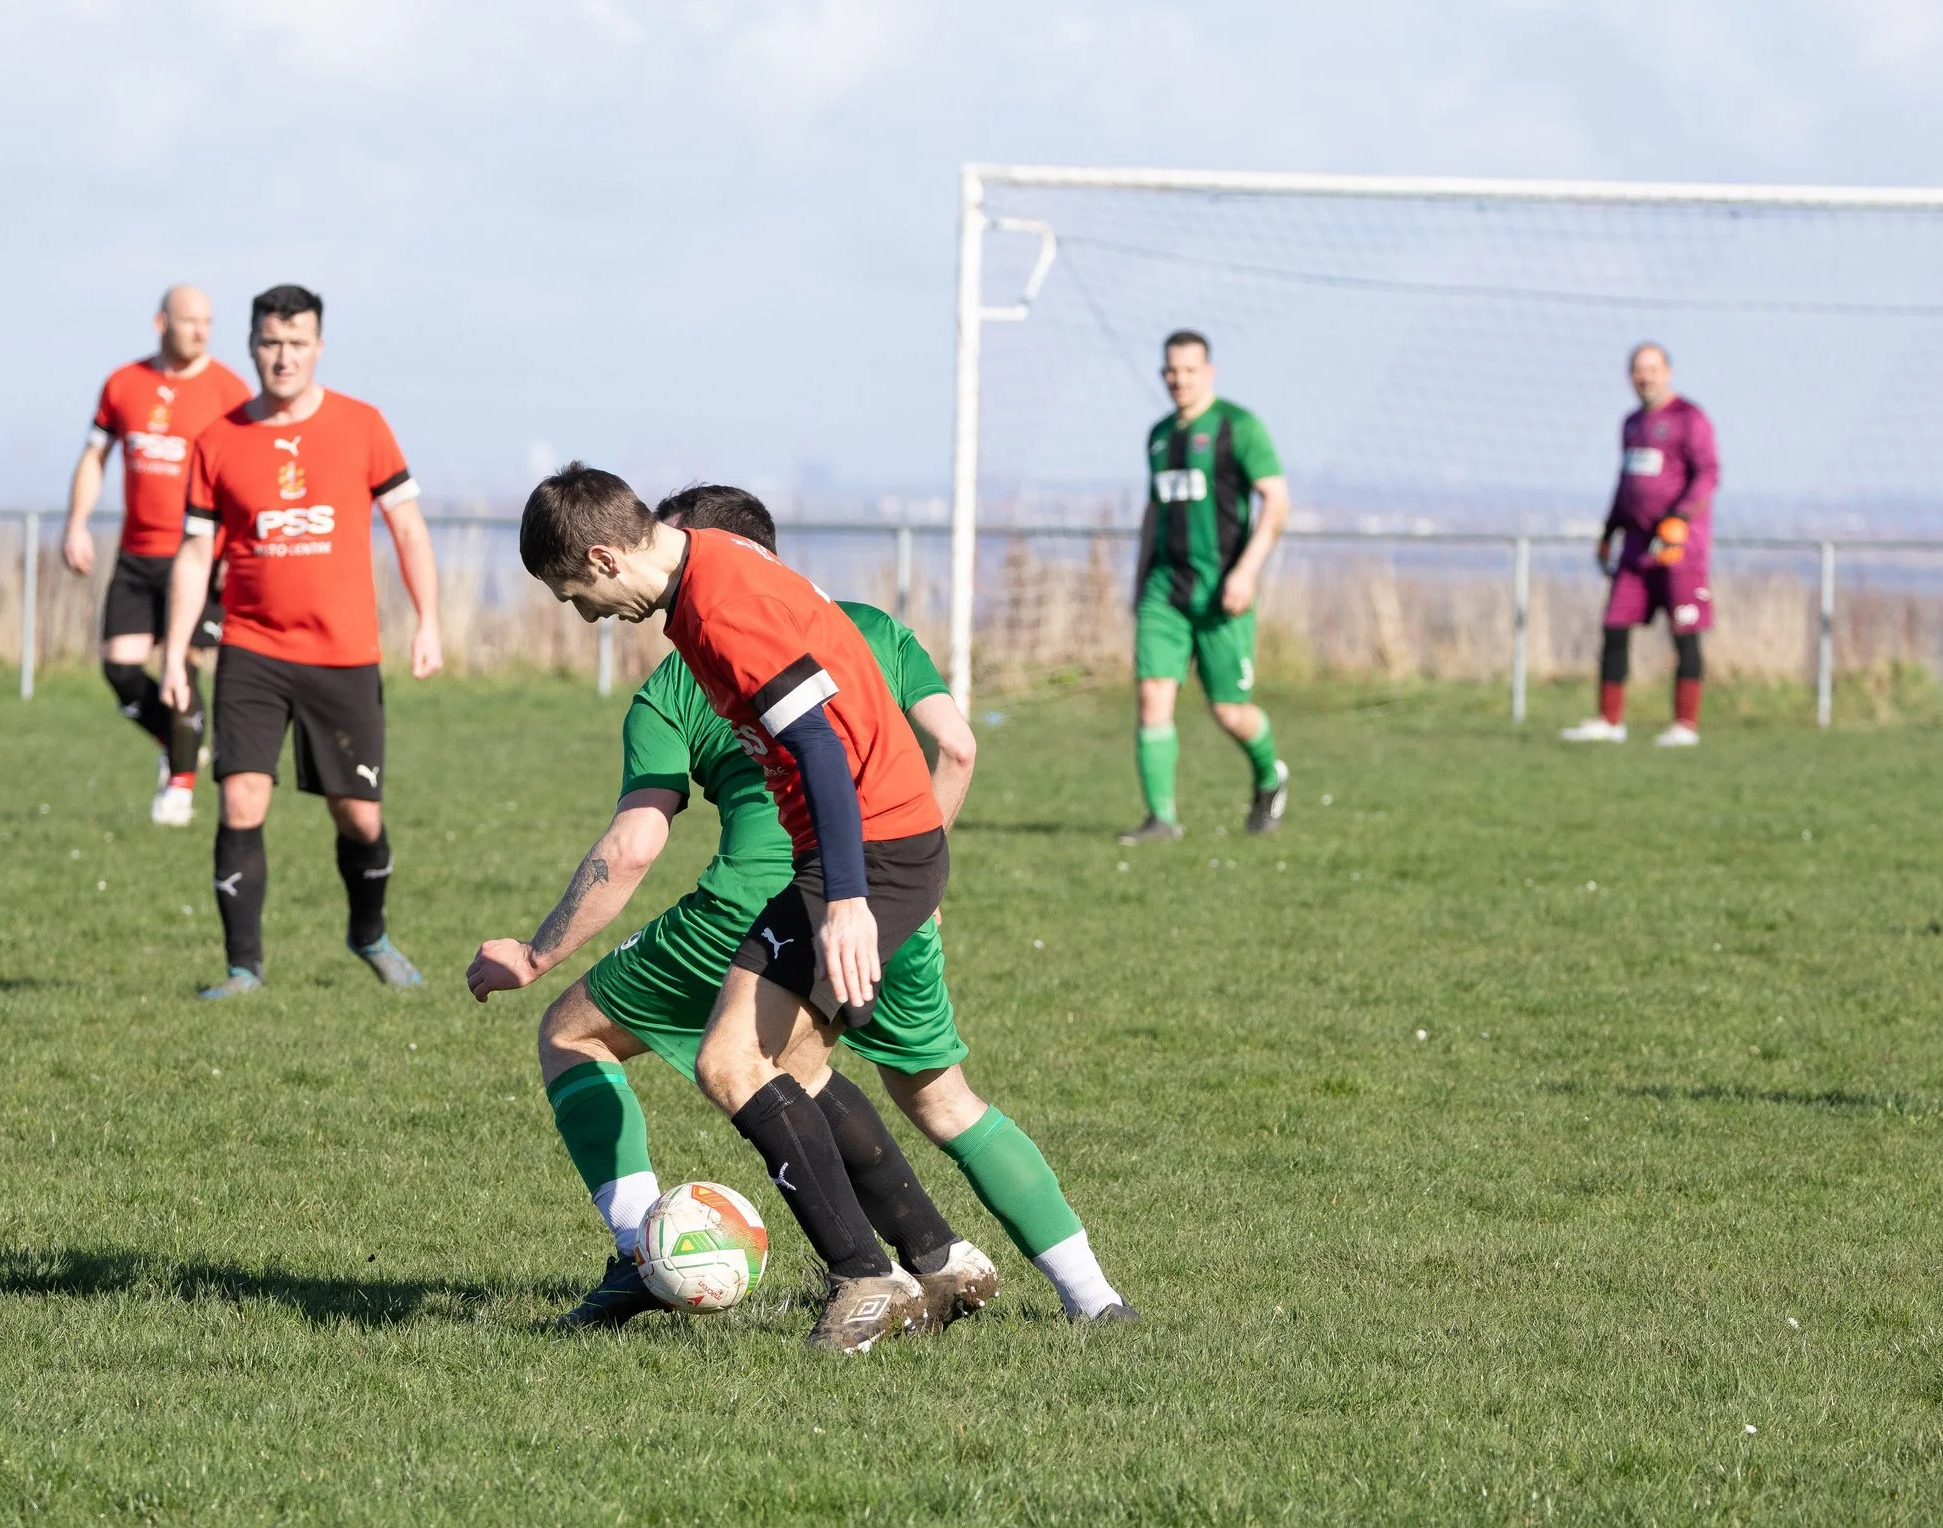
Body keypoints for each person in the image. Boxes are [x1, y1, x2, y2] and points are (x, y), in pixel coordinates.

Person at [475, 486, 1125, 1336]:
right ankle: (953, 1265)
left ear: (604, 558)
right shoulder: (726, 568)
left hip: (860, 860)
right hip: (875, 854)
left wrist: (849, 899)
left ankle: (865, 1277)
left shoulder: (721, 605)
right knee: (843, 1079)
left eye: (576, 595)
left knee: (730, 1064)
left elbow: (816, 739)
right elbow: (936, 744)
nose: (586, 616)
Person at [160, 285, 443, 997]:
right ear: (251, 346)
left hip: (344, 655)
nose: (282, 357)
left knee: (358, 814)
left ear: (318, 347)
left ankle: (369, 932)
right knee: (241, 801)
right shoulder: (217, 440)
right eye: (270, 343)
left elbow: (407, 528)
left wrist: (429, 620)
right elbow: (196, 556)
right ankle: (242, 969)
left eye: (296, 343)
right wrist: (174, 652)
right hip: (251, 652)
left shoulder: (363, 425)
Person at [63, 286, 252, 826]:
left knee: (182, 665)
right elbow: (93, 457)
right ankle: (180, 744)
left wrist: (234, 550)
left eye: (208, 321)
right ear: (160, 322)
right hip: (136, 554)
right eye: (190, 320)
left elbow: (246, 476)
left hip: (197, 556)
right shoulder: (123, 384)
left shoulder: (228, 391)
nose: (200, 331)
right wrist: (76, 524)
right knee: (120, 670)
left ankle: (181, 789)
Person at [1124, 329, 1293, 845]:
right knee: (1153, 696)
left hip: (1222, 593)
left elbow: (1277, 503)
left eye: (1189, 370)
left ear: (1209, 372)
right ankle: (1161, 820)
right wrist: (1138, 582)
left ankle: (1270, 776)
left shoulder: (1237, 427)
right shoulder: (1157, 436)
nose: (1179, 379)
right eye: (1171, 371)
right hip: (1164, 592)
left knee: (1229, 712)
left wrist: (1246, 572)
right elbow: (1156, 511)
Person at [1563, 342, 1720, 747]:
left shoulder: (1691, 418)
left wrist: (1679, 518)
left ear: (1668, 371)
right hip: (1634, 546)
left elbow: (1708, 474)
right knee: (1614, 626)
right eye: (1638, 369)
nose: (1645, 376)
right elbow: (1625, 483)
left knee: (1685, 632)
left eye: (1652, 368)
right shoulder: (1630, 423)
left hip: (1678, 549)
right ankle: (1609, 721)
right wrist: (1608, 531)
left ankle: (1685, 726)